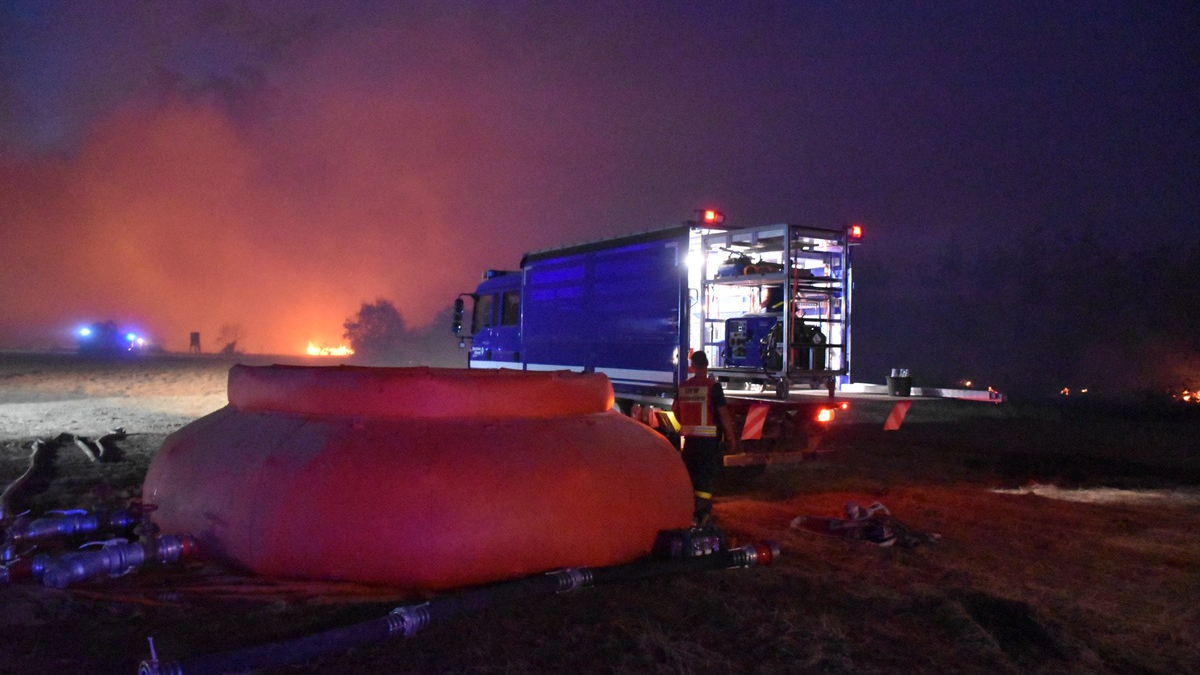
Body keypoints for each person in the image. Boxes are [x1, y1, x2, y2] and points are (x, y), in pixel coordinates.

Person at [672, 350, 738, 526]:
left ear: (692, 367)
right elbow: (723, 414)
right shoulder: (713, 387)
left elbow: (675, 411)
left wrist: (687, 424)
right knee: (705, 478)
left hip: (690, 441)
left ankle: (688, 513)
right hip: (708, 442)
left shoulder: (683, 387)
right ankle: (703, 515)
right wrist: (730, 436)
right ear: (707, 364)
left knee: (689, 476)